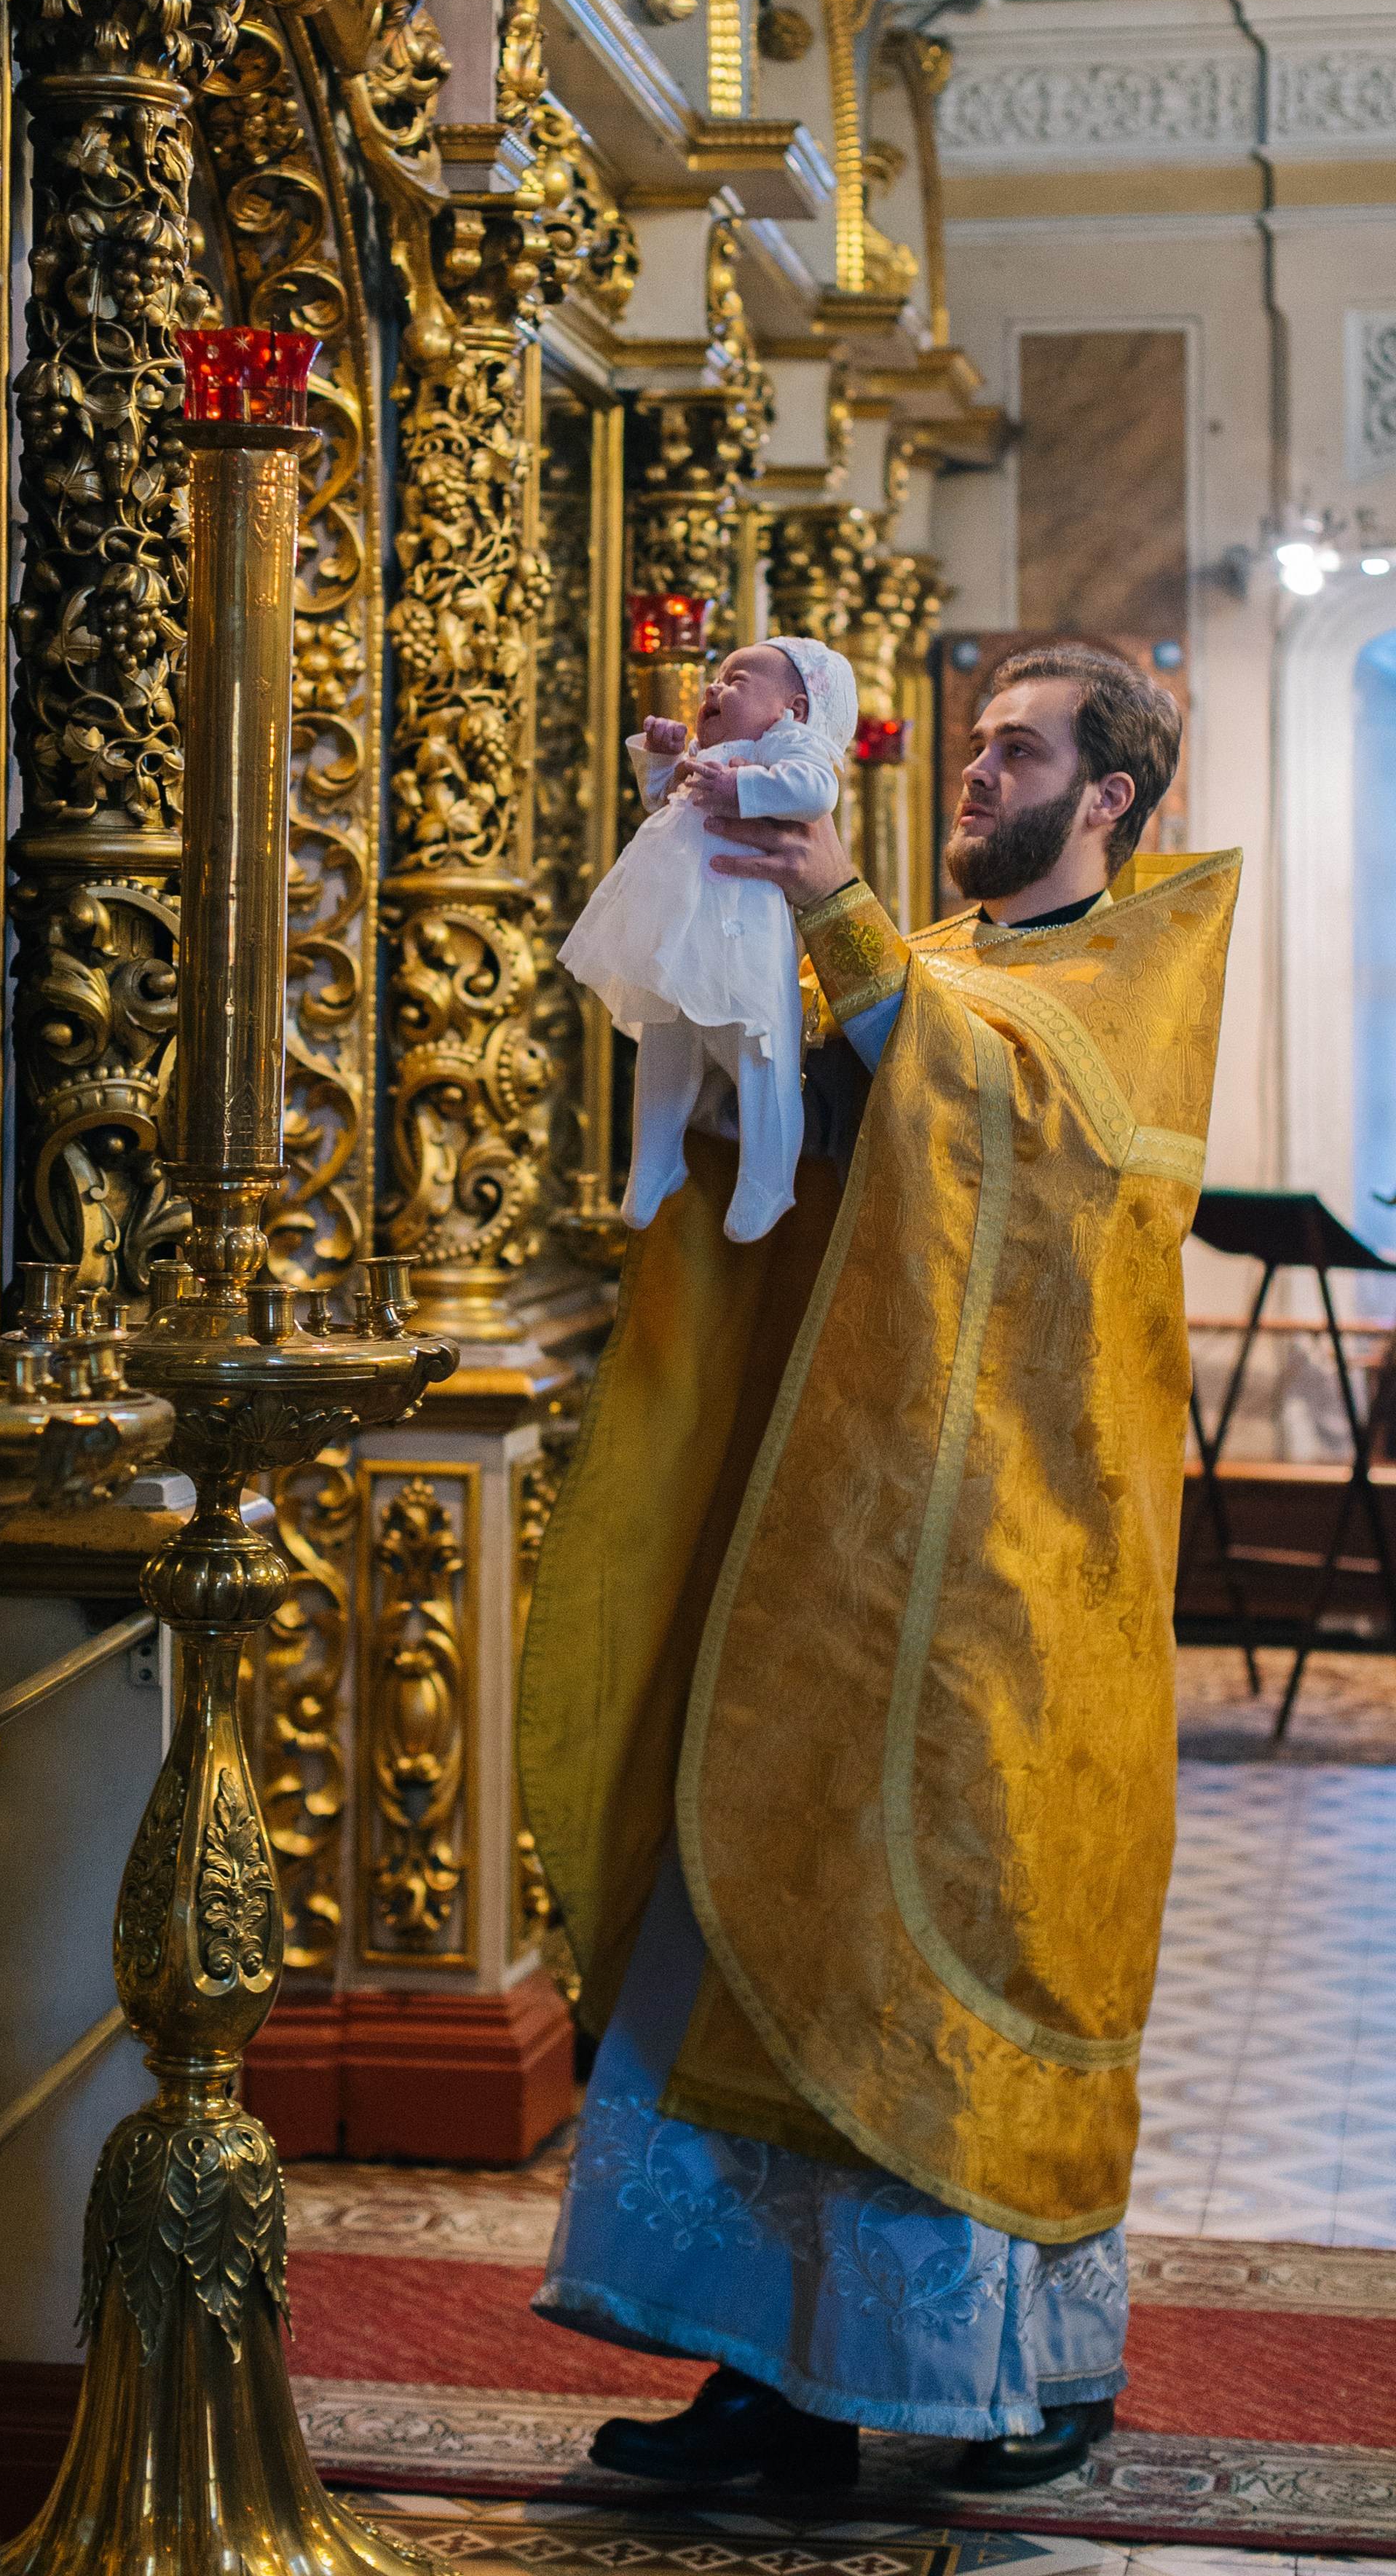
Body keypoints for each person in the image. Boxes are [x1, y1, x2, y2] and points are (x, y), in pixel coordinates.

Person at [519, 644, 1239, 2494]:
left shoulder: (1127, 980)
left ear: (1108, 798)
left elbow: (1001, 1118)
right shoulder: (943, 960)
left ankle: (1015, 2367)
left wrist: (824, 901)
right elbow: (830, 1107)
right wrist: (712, 882)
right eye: (974, 744)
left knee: (947, 1938)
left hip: (1006, 1573)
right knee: (761, 1904)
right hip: (834, 1540)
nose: (976, 774)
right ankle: (763, 2380)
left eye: (1019, 751)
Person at [561, 639, 858, 1244]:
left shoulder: (786, 746)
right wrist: (666, 760)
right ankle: (655, 1159)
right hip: (678, 923)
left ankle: (768, 1176)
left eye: (737, 680)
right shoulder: (713, 752)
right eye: (716, 679)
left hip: (744, 926)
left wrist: (742, 787)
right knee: (663, 1034)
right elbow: (661, 803)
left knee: (760, 1048)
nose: (713, 690)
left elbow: (813, 790)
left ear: (793, 709)